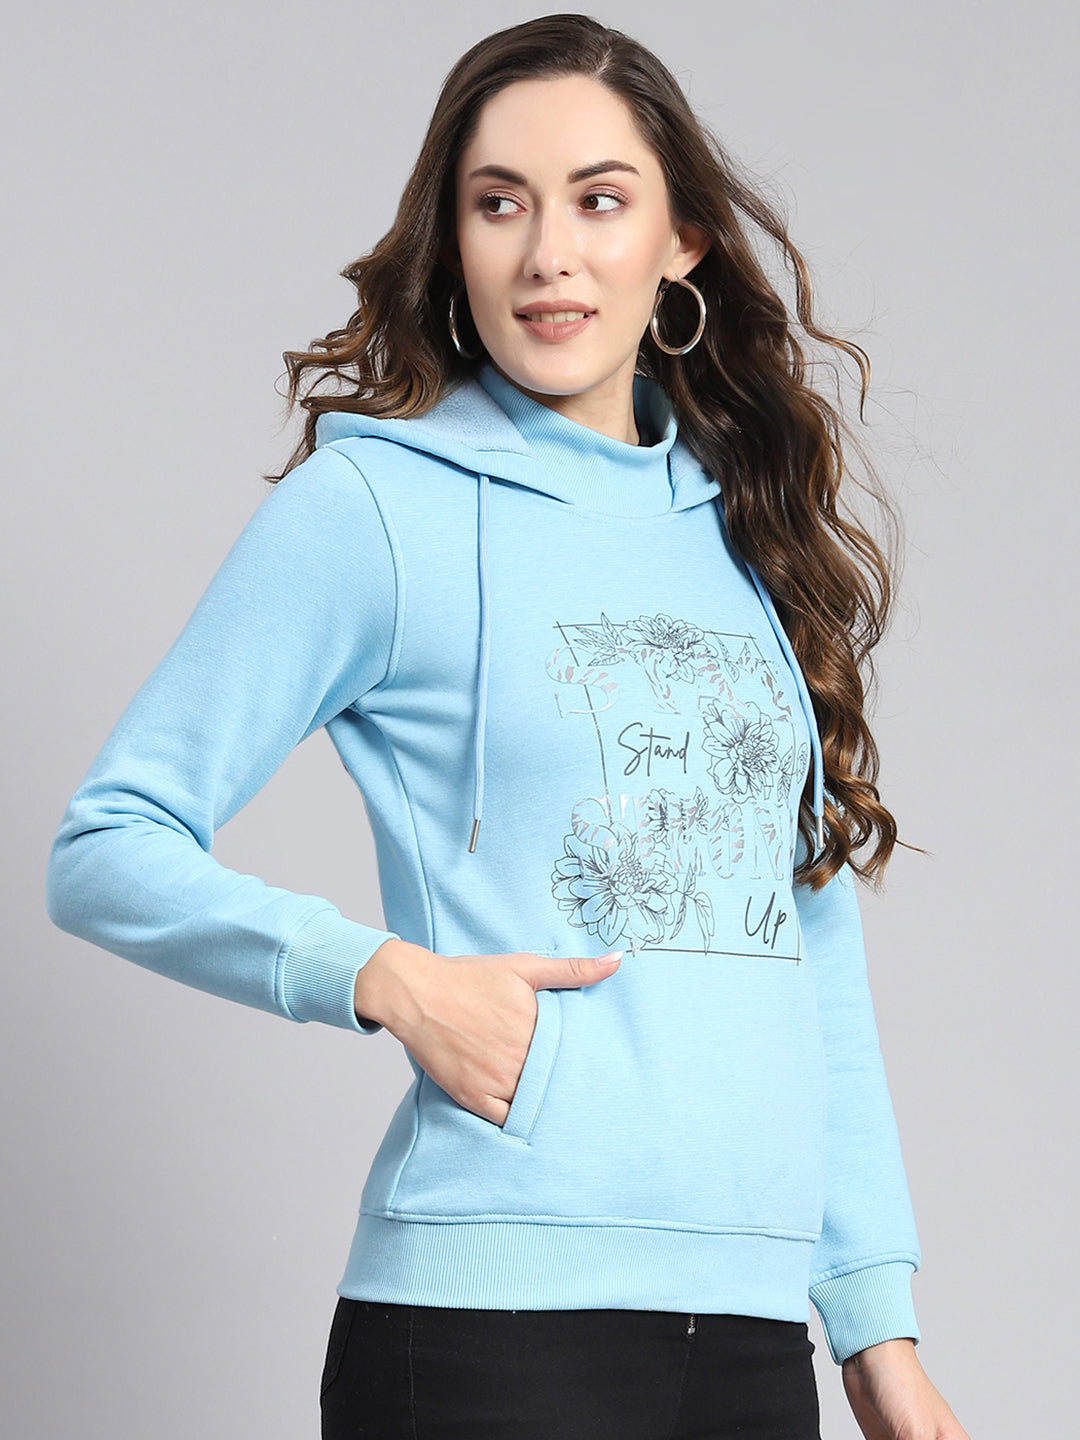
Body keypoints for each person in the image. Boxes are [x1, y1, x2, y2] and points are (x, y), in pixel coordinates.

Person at [45, 13, 972, 1440]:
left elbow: (807, 942)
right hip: (490, 1336)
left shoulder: (745, 536)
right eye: (500, 204)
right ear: (455, 241)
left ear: (680, 243)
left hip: (746, 1337)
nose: (549, 254)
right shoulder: (376, 509)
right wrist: (386, 976)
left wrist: (875, 1324)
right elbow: (106, 844)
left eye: (599, 200)